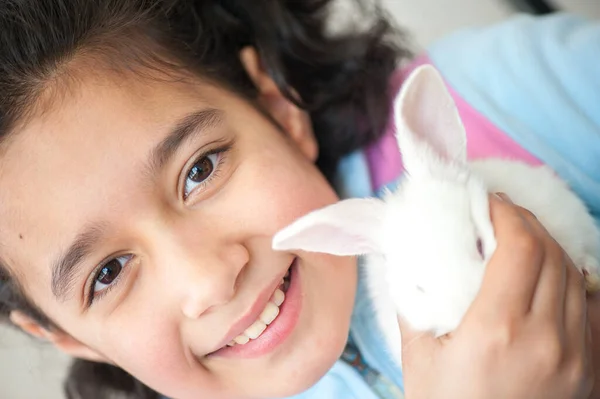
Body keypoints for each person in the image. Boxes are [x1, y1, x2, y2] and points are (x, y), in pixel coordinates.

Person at [0, 1, 598, 398]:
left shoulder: (502, 98)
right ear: (68, 336)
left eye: (200, 170)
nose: (209, 280)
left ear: (279, 110)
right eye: (107, 274)